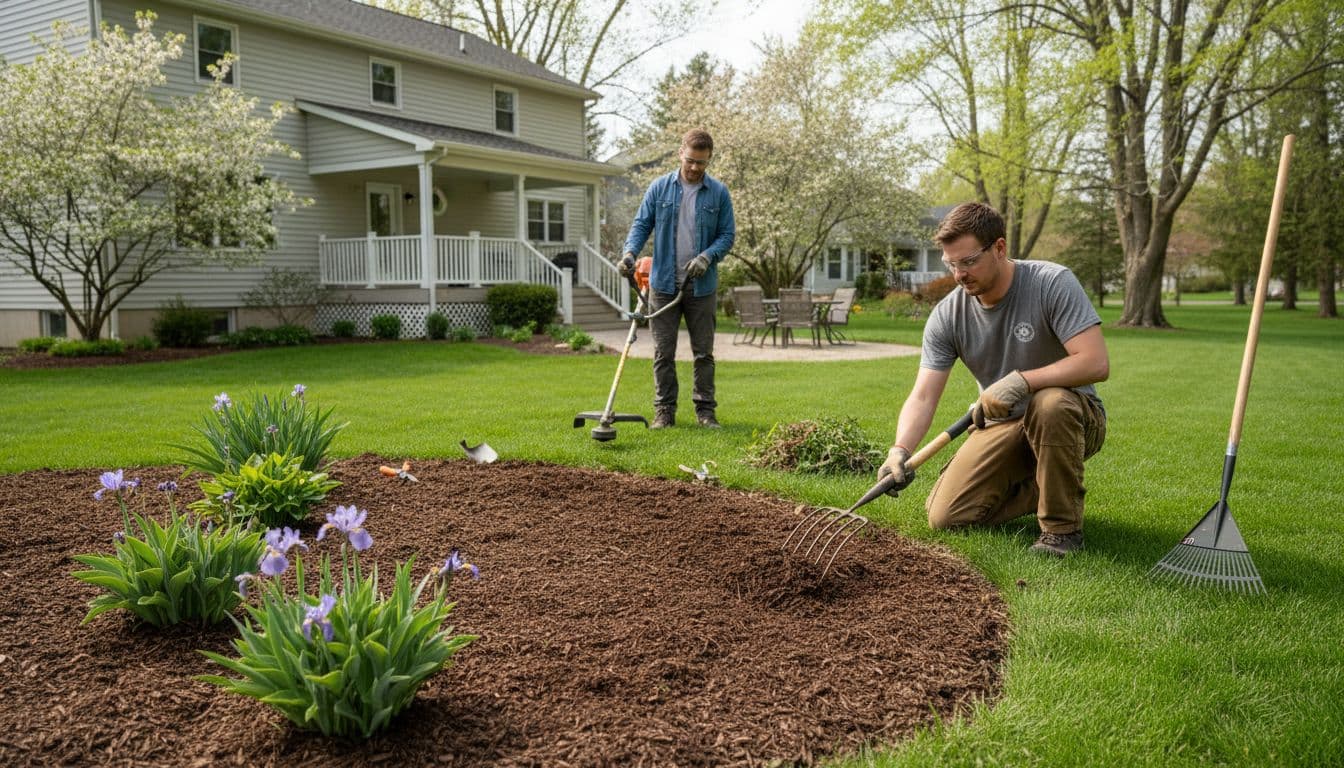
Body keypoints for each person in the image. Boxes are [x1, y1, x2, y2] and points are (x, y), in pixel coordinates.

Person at [877, 202, 1109, 556]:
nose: (959, 274)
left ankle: (1061, 532)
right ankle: (1048, 486)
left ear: (999, 248)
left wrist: (1023, 381)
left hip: (1072, 417)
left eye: (968, 261)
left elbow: (1095, 362)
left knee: (1050, 404)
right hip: (1003, 423)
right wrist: (900, 450)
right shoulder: (948, 315)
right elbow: (923, 396)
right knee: (947, 515)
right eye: (951, 264)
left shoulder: (1051, 283)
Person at [619, 128, 736, 429]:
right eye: (691, 161)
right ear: (680, 153)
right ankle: (664, 413)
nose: (695, 167)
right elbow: (641, 224)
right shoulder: (659, 189)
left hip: (701, 286)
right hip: (663, 284)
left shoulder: (719, 193)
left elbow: (727, 235)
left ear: (709, 160)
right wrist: (630, 253)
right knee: (663, 353)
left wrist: (708, 256)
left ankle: (705, 413)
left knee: (703, 354)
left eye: (702, 163)